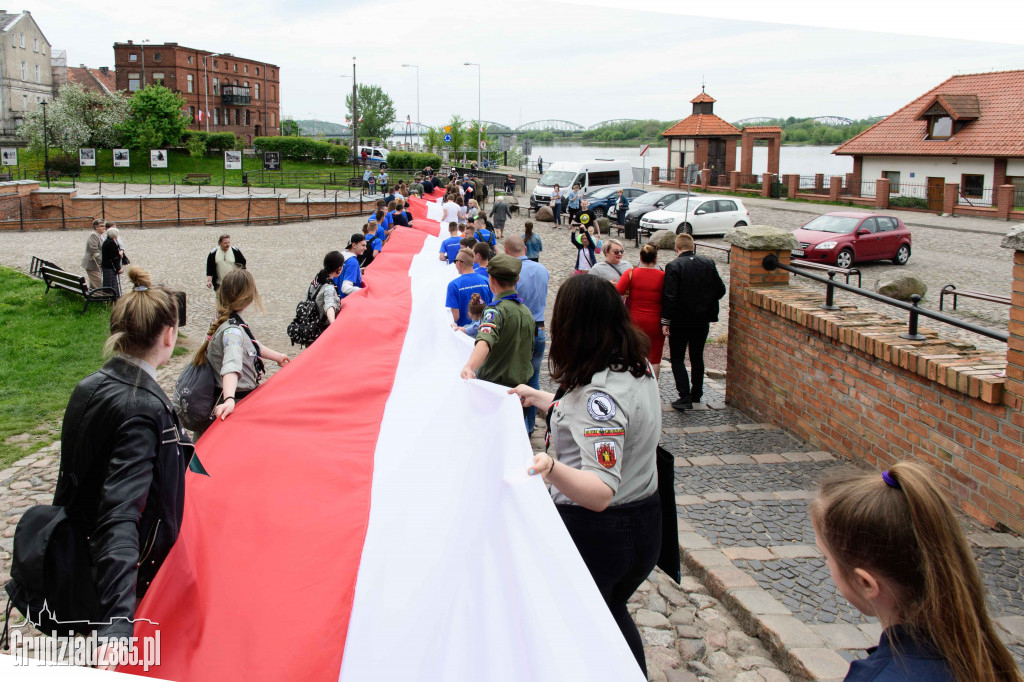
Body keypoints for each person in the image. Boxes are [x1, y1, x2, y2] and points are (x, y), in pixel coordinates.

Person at [23, 267, 190, 669]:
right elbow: (119, 513)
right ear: (169, 335)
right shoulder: (143, 408)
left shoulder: (91, 384)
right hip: (123, 572)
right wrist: (117, 620)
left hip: (80, 549)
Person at [509, 274, 660, 677]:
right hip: (645, 519)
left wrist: (551, 468)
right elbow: (589, 419)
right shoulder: (634, 362)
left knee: (591, 625)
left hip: (602, 532)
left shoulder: (599, 398)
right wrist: (542, 399)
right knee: (608, 613)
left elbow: (599, 492)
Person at [812, 462, 1023, 682]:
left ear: (865, 583)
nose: (827, 565)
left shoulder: (875, 676)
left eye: (828, 558)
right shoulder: (979, 656)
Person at [193, 269, 289, 431]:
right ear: (248, 298)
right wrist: (229, 399)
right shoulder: (233, 331)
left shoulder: (225, 320)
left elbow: (249, 344)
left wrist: (277, 357)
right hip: (235, 406)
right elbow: (232, 363)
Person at [661, 233, 726, 410]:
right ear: (693, 247)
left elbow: (670, 296)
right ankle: (697, 393)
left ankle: (685, 396)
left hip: (680, 320)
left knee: (677, 358)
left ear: (676, 248)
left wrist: (665, 321)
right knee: (697, 356)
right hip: (702, 319)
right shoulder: (708, 263)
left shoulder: (673, 266)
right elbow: (720, 290)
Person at [459, 254, 535, 389]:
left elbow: (485, 340)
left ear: (491, 280)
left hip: (494, 387)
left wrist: (470, 367)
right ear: (517, 279)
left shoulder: (494, 311)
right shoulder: (526, 312)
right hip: (519, 388)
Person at [504, 235, 549, 434]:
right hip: (539, 329)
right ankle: (528, 426)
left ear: (506, 252)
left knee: (514, 378)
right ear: (524, 248)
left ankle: (515, 426)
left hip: (520, 331)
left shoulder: (513, 273)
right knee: (534, 378)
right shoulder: (542, 270)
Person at [615, 244, 666, 378]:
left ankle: (634, 382)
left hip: (635, 319)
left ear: (640, 258)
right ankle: (653, 388)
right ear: (656, 259)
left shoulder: (631, 273)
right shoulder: (663, 276)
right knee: (655, 357)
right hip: (656, 320)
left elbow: (618, 290)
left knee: (633, 352)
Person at [446, 248, 492, 326]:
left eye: (455, 262)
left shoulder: (454, 285)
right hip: (486, 329)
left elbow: (455, 317)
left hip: (464, 333)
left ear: (459, 263)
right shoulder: (487, 281)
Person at [312, 251, 344, 327]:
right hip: (319, 327)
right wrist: (333, 324)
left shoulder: (317, 279)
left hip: (310, 320)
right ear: (339, 269)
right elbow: (329, 305)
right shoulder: (329, 287)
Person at [335, 234, 367, 299]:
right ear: (354, 245)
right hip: (346, 301)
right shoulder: (353, 262)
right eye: (363, 245)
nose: (365, 248)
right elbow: (345, 288)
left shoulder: (341, 255)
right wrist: (365, 291)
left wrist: (358, 270)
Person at [81, 218, 106, 289]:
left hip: (96, 263)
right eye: (101, 226)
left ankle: (92, 298)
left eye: (104, 225)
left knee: (94, 283)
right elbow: (94, 250)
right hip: (92, 262)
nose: (104, 227)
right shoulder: (94, 235)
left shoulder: (101, 235)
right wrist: (100, 262)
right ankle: (99, 298)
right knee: (98, 283)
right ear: (96, 227)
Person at [100, 226, 125, 298]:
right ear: (115, 235)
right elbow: (114, 258)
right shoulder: (111, 243)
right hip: (109, 268)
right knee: (112, 286)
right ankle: (113, 300)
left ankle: (110, 300)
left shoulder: (107, 241)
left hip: (106, 267)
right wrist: (118, 268)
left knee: (109, 285)